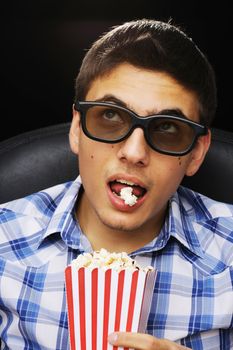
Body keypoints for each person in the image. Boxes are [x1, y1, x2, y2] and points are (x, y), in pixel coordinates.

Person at [0, 18, 232, 350]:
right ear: (77, 128)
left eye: (167, 128)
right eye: (110, 116)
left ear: (196, 153)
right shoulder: (4, 241)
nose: (134, 153)